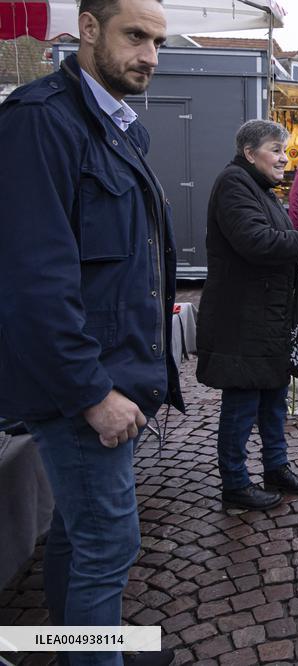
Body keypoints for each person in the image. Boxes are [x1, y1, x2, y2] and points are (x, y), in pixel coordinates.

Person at [0, 1, 179, 664]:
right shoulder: (40, 121)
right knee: (108, 541)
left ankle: (75, 641)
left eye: (158, 41)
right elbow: (31, 285)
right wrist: (93, 394)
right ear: (90, 28)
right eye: (136, 36)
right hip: (82, 387)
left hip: (113, 377)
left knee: (80, 536)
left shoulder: (119, 125)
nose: (151, 57)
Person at [196, 120, 298, 511]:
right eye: (275, 149)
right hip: (242, 318)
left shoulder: (257, 188)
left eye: (283, 149)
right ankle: (236, 484)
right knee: (241, 403)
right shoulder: (233, 185)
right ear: (249, 153)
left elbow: (277, 242)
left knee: (275, 397)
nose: (283, 157)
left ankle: (276, 466)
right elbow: (258, 243)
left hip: (268, 316)